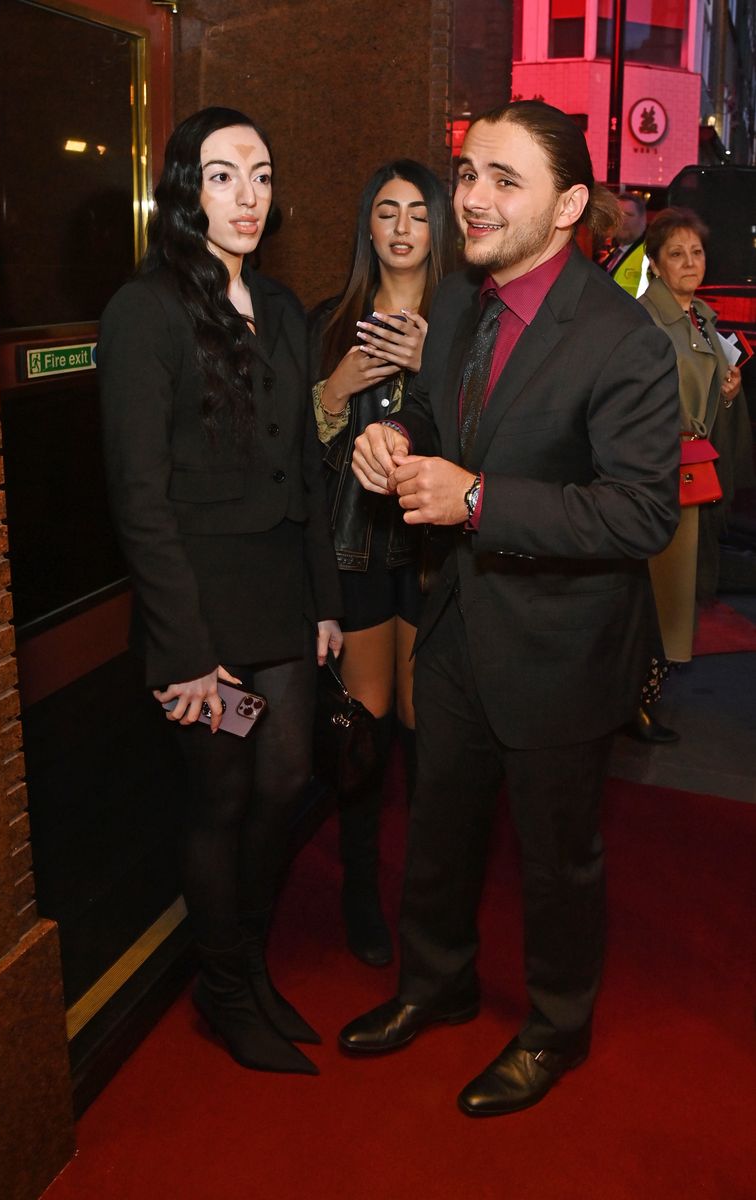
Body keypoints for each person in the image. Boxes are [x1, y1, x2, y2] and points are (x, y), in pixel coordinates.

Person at [338, 100, 680, 1116]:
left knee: (556, 860)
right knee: (438, 829)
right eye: (468, 173)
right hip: (454, 629)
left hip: (563, 651)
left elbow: (640, 510)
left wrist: (479, 499)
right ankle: (433, 987)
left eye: (503, 180)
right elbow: (446, 425)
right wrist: (391, 448)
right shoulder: (453, 307)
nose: (472, 200)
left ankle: (555, 1030)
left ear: (569, 204)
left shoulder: (623, 339)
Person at [98, 107, 343, 1076]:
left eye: (262, 176)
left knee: (283, 778)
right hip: (201, 607)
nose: (248, 196)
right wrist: (186, 649)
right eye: (223, 175)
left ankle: (243, 959)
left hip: (279, 596)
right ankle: (225, 986)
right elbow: (137, 497)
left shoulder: (283, 309)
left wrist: (325, 599)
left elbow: (307, 466)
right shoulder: (145, 309)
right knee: (221, 794)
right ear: (184, 190)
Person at [309, 161, 457, 967]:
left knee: (427, 730)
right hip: (358, 548)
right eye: (386, 212)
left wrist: (432, 362)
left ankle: (430, 904)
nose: (401, 227)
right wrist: (338, 388)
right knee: (362, 734)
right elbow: (297, 457)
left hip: (438, 556)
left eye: (418, 214)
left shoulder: (464, 323)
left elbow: (484, 439)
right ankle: (360, 890)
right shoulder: (331, 321)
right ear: (367, 226)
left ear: (440, 229)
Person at [636, 208, 753, 720]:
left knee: (679, 588)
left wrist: (728, 393)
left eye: (697, 252)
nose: (690, 262)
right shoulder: (642, 318)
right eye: (676, 254)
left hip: (695, 471)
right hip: (660, 475)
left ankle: (648, 696)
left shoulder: (701, 317)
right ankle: (636, 701)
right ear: (655, 265)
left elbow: (708, 394)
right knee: (654, 590)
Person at [601, 192, 649, 297]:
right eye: (618, 215)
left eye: (629, 215)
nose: (623, 220)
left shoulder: (650, 253)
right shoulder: (616, 252)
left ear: (643, 220)